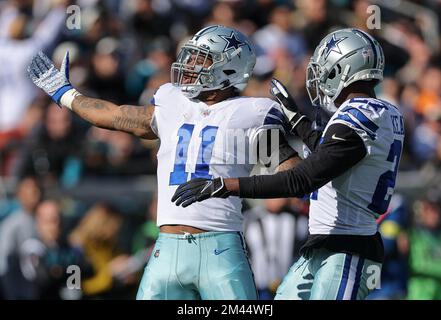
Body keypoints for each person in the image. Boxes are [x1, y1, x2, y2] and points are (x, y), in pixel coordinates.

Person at [27, 25, 299, 300]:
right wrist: (66, 94)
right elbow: (115, 115)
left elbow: (293, 175)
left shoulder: (252, 113)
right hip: (167, 247)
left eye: (201, 59)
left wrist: (236, 185)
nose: (190, 65)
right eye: (191, 57)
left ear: (229, 69)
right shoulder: (172, 101)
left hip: (222, 245)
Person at [172, 28, 406, 300]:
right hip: (328, 244)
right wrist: (296, 119)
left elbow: (303, 179)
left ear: (343, 67)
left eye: (324, 67)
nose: (318, 75)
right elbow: (330, 156)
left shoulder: (355, 119)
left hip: (349, 249)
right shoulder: (382, 112)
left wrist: (225, 186)